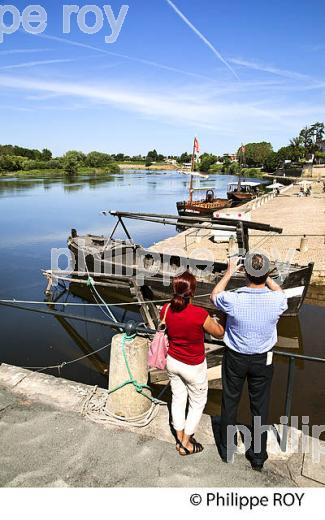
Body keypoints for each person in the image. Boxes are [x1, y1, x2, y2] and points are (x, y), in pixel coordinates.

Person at [210, 254, 288, 471]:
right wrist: (268, 276)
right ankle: (258, 456)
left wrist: (230, 271)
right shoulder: (277, 300)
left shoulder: (233, 299)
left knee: (230, 401)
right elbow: (280, 292)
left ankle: (227, 451)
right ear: (266, 273)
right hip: (263, 359)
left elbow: (214, 295)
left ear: (245, 272)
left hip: (235, 357)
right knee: (260, 407)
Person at [161, 271, 224, 456]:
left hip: (172, 361)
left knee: (178, 399)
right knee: (197, 403)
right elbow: (219, 332)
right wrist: (220, 319)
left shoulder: (165, 309)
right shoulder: (200, 314)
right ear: (193, 292)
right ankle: (185, 444)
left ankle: (179, 437)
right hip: (193, 366)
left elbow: (166, 325)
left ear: (174, 289)